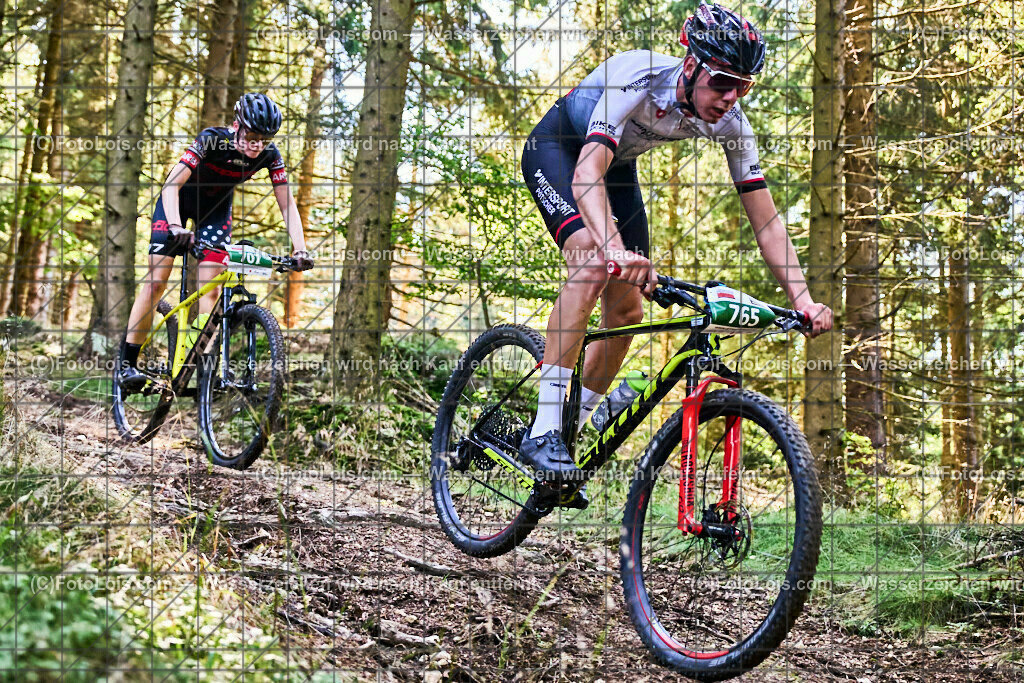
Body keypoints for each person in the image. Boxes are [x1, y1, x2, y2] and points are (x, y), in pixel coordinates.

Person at [519, 2, 835, 484]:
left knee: (626, 314)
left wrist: (804, 300)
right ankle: (542, 431)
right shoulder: (637, 78)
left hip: (616, 169)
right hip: (561, 151)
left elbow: (767, 222)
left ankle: (569, 431)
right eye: (722, 82)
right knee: (591, 263)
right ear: (690, 66)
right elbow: (586, 176)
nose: (731, 97)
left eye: (743, 86)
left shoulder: (731, 125)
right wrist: (615, 249)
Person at [118, 92, 313, 390]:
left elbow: (287, 205)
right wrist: (174, 226)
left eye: (264, 138)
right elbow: (172, 185)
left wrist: (299, 248)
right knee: (157, 282)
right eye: (251, 135)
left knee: (211, 291)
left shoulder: (269, 156)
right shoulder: (212, 140)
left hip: (215, 211)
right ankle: (126, 364)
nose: (256, 144)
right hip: (177, 204)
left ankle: (204, 372)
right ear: (237, 125)